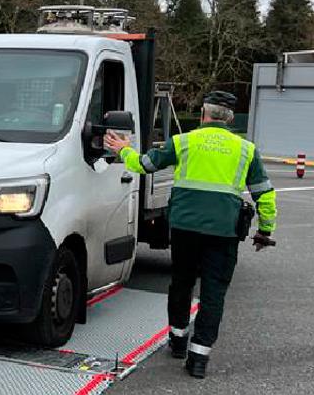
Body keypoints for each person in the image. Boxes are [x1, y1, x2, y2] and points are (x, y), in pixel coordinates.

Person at [104, 91, 278, 379]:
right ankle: (199, 356)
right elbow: (264, 193)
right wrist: (265, 229)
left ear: (203, 115)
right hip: (223, 232)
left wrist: (123, 149)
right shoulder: (246, 149)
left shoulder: (183, 141)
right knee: (214, 291)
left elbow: (143, 165)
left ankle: (178, 339)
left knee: (182, 283)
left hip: (185, 228)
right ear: (231, 118)